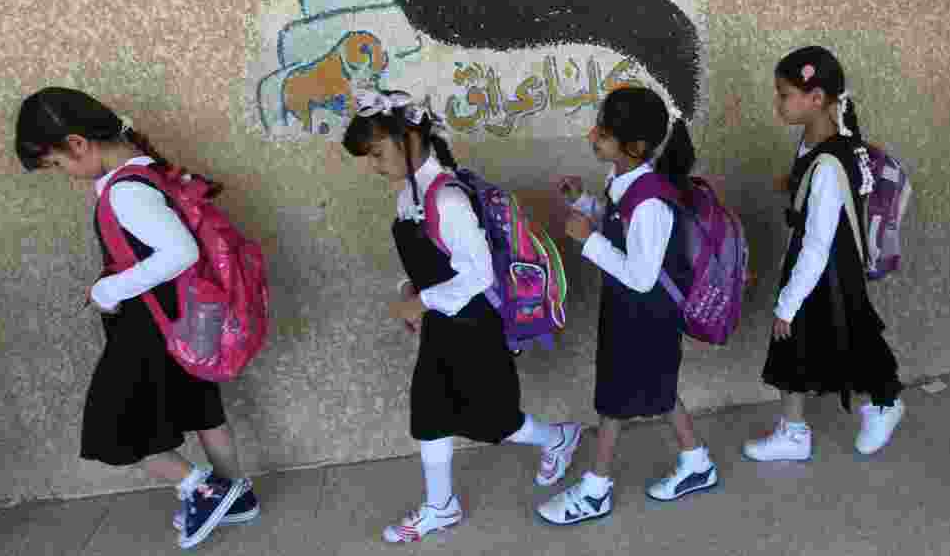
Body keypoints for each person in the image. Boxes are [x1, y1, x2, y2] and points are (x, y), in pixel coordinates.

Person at [14, 87, 258, 550]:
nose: (62, 175)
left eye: (56, 164)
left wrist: (108, 289)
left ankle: (202, 491)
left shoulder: (126, 190)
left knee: (110, 428)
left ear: (78, 143)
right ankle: (237, 496)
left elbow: (180, 253)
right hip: (183, 320)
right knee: (202, 409)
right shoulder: (146, 172)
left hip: (151, 328)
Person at [342, 89, 581, 544]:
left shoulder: (447, 199)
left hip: (474, 330)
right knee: (429, 411)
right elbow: (430, 262)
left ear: (410, 137)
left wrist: (423, 302)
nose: (374, 165)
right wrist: (412, 290)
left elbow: (477, 273)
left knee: (495, 419)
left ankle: (557, 438)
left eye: (378, 153)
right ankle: (440, 506)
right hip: (444, 326)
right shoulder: (410, 196)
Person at [537, 86, 718, 526]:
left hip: (646, 315)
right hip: (631, 310)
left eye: (604, 130)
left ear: (634, 147)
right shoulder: (627, 183)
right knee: (657, 389)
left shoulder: (651, 199)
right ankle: (697, 464)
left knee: (615, 400)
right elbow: (622, 228)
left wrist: (588, 239)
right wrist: (584, 205)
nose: (593, 134)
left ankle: (596, 489)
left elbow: (640, 273)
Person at [744, 46, 904, 463]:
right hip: (819, 262)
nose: (778, 102)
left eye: (783, 94)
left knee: (843, 338)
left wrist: (788, 302)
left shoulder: (831, 163)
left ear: (816, 99)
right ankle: (794, 432)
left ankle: (883, 404)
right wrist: (794, 181)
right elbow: (814, 178)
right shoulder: (822, 139)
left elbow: (817, 241)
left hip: (826, 269)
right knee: (796, 346)